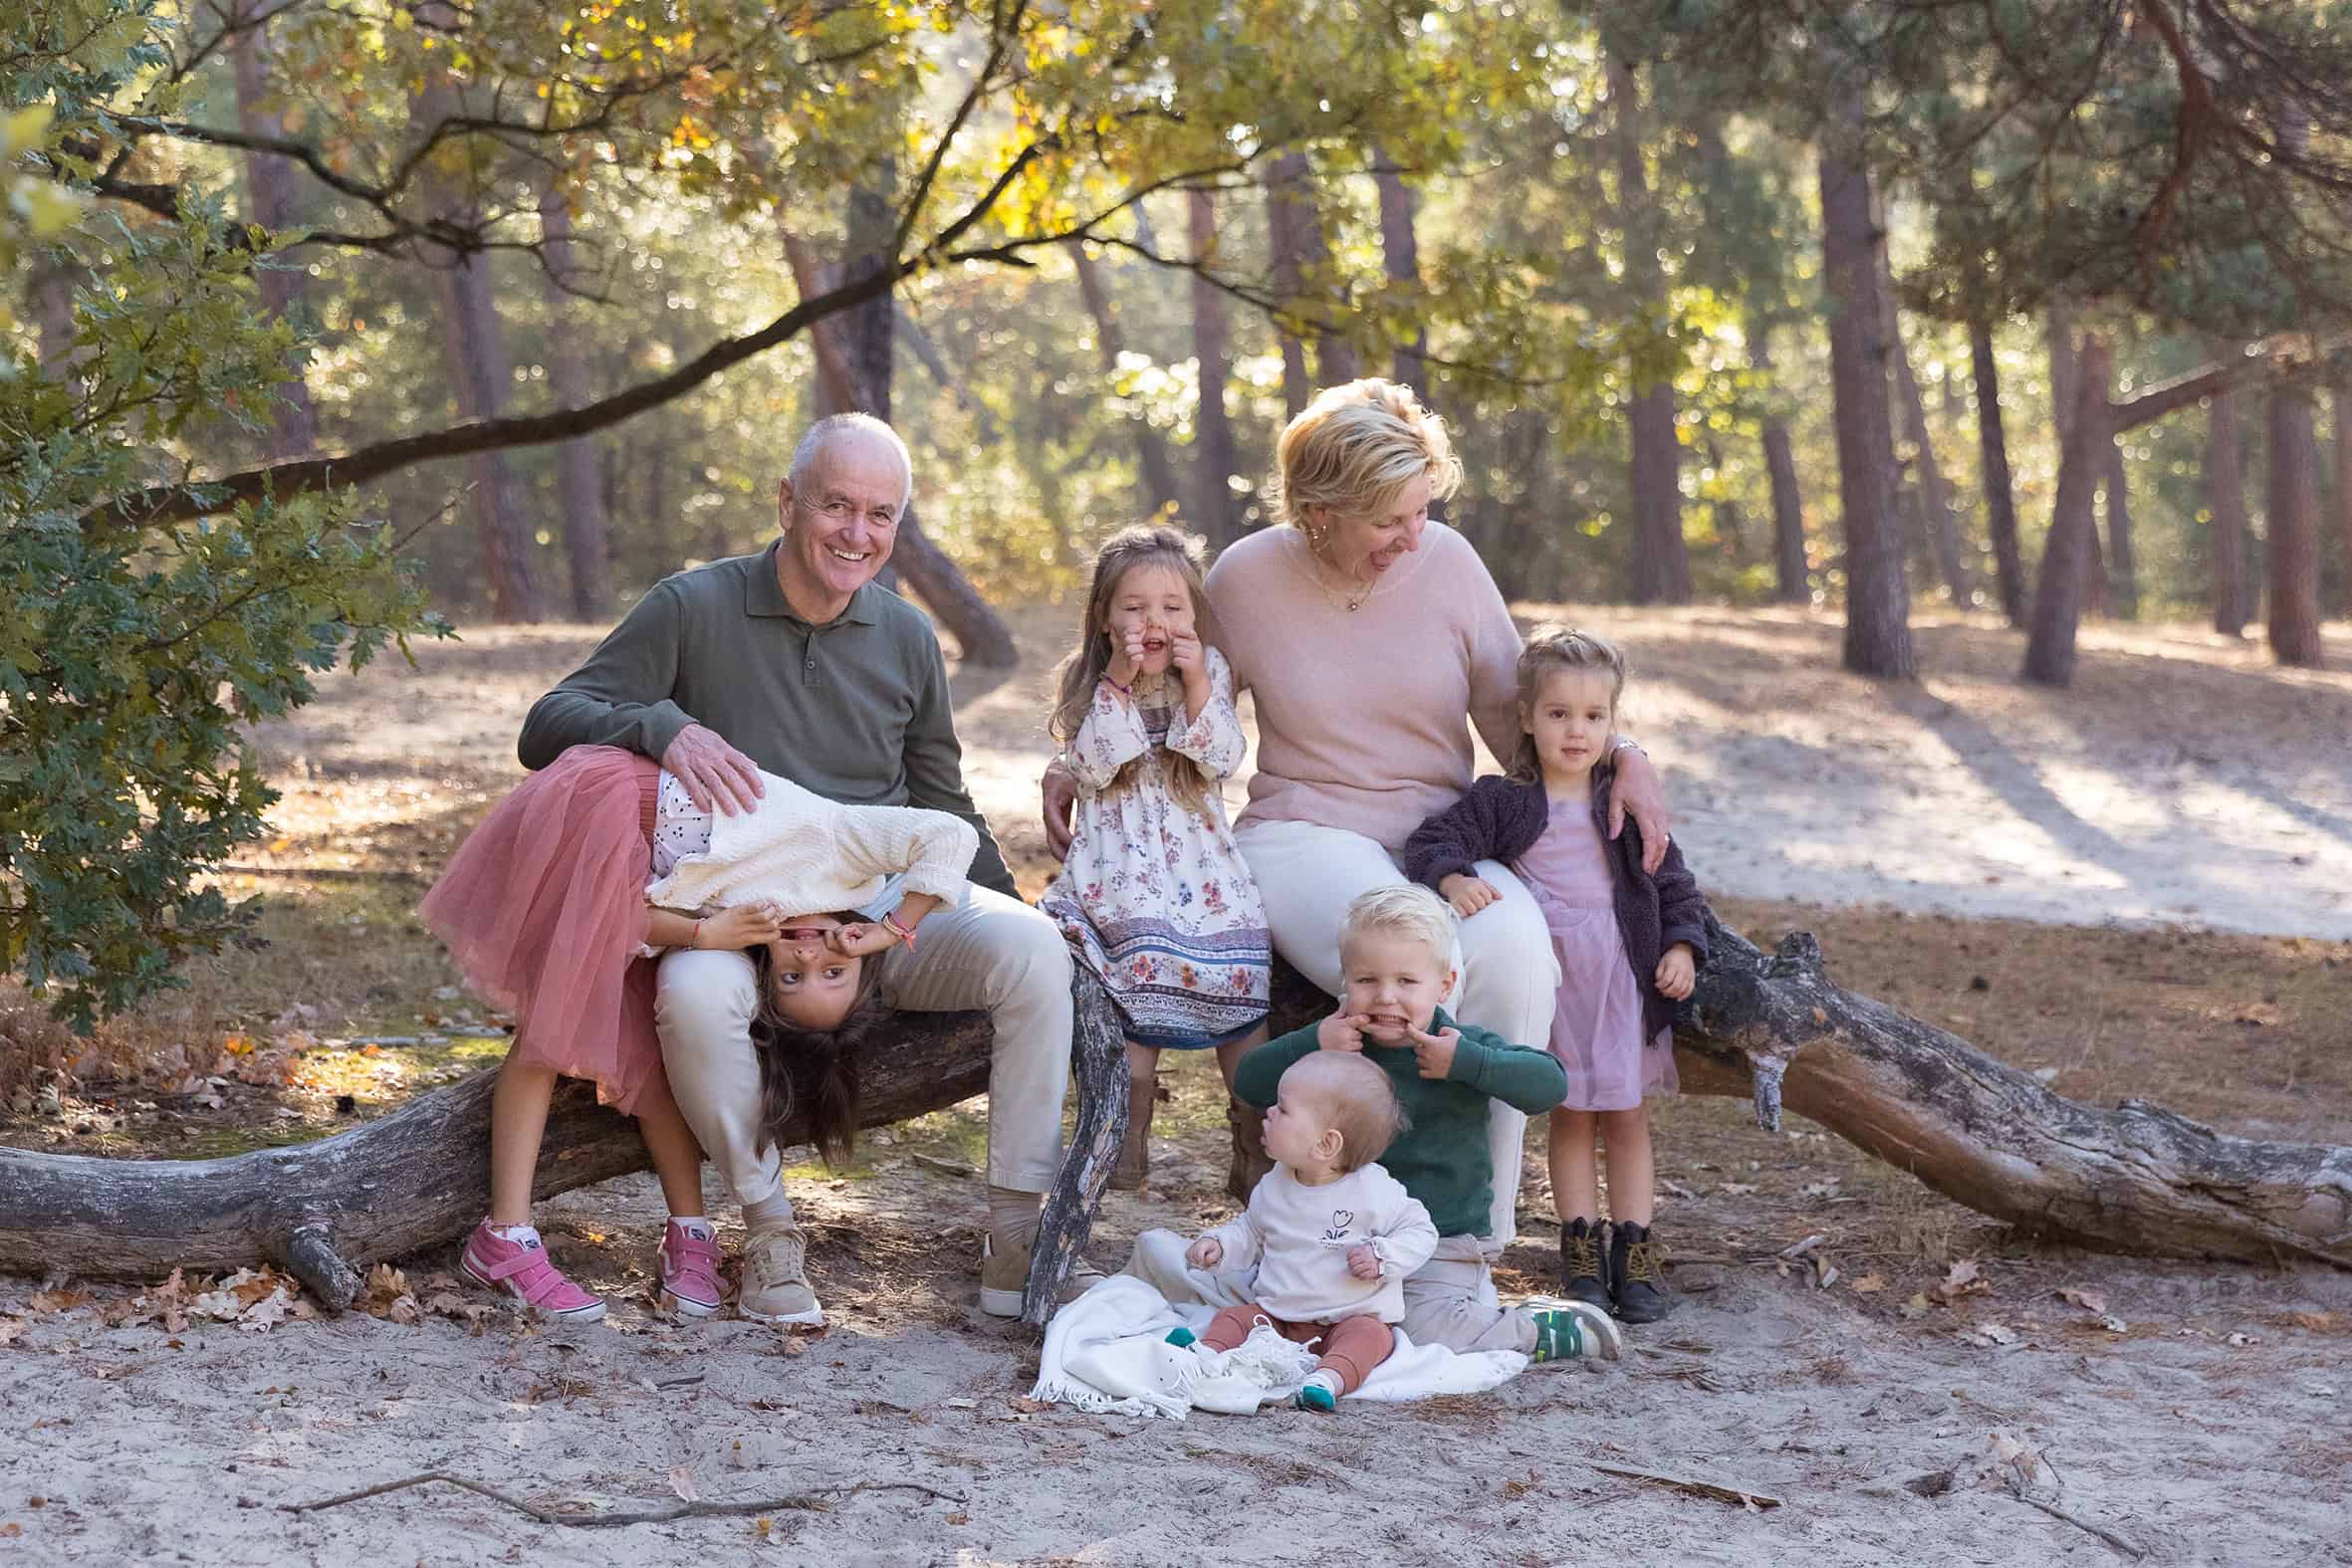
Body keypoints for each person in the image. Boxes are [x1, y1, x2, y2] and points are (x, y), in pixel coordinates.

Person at [1046, 379, 1673, 1245]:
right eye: (1388, 520)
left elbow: (1528, 717)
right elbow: (1168, 694)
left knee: (1520, 950)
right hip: (1302, 831)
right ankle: (1363, 1221)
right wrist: (1065, 764)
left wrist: (1626, 752)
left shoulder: (1449, 562)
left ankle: (1468, 1236)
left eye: (1421, 511)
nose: (1413, 536)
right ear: (1319, 512)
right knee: (1408, 955)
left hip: (1440, 837)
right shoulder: (1247, 576)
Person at [516, 412, 1094, 1324]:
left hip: (877, 913)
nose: (857, 533)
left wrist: (1006, 903)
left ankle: (1018, 1235)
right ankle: (769, 1230)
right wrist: (662, 726)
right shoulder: (692, 606)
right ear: (788, 502)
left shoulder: (906, 636)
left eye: (881, 514)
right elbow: (546, 724)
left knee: (1032, 951)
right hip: (739, 919)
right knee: (692, 998)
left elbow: (942, 800)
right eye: (836, 505)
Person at [420, 744, 977, 1323]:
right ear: (861, 960)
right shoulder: (841, 847)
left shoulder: (754, 920)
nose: (811, 956)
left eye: (793, 978)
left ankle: (689, 1227)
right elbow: (950, 833)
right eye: (834, 972)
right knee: (550, 1034)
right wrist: (893, 927)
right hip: (608, 805)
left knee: (648, 1046)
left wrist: (707, 932)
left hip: (629, 856)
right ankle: (505, 1233)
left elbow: (628, 916)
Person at [1404, 629, 1711, 1322]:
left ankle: (1635, 1250)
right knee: (1571, 1115)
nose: (1577, 731)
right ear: (1526, 716)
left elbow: (1674, 883)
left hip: (1621, 985)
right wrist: (1453, 878)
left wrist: (1682, 948)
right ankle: (1580, 1247)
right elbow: (1433, 840)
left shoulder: (1622, 801)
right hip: (1558, 987)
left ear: (1613, 722)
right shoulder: (1506, 800)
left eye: (1594, 716)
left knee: (1626, 1117)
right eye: (1559, 713)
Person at [1231, 886, 1621, 1361]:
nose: (1386, 996)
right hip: (1339, 1238)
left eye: (1407, 981)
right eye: (1367, 979)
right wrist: (1313, 1043)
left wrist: (1468, 1063)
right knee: (1290, 1314)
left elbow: (1550, 1085)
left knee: (1417, 1333)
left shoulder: (1457, 1046)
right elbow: (1249, 1083)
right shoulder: (1336, 1044)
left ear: (1444, 985)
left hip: (1439, 1240)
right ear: (1346, 981)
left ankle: (1537, 1328)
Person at [1037, 526, 1271, 1191]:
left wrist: (1195, 681)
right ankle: (1128, 1130)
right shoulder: (1090, 679)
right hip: (1121, 865)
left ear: (1194, 614)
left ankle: (1254, 1141)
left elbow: (1221, 757)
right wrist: (1118, 680)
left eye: (1172, 607)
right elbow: (1091, 765)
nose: (1154, 622)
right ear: (1105, 618)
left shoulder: (1210, 671)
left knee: (1244, 960)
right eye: (1135, 608)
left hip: (1201, 864)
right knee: (1135, 964)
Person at [1174, 1052, 1434, 1411]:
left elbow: (1421, 1231)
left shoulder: (1374, 1190)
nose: (1269, 1112)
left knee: (1371, 1339)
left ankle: (1327, 1380)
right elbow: (1252, 1231)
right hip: (1280, 1317)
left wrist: (1383, 1257)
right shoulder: (1275, 1182)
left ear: (1326, 1144)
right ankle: (1202, 1355)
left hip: (1351, 1316)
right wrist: (1220, 1244)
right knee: (1233, 1318)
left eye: (1283, 1109)